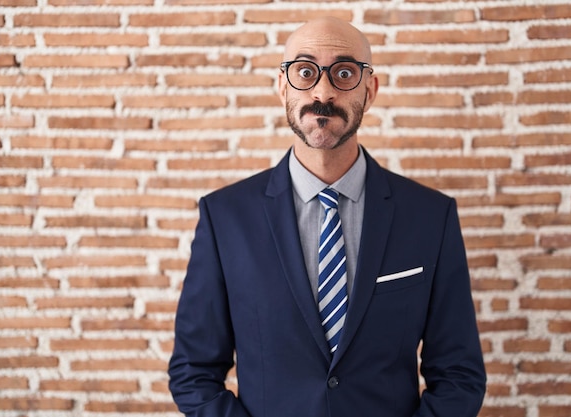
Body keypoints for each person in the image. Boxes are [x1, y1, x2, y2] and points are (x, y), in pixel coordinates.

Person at [168, 16, 486, 417]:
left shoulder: (430, 216)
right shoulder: (224, 217)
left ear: (370, 91)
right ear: (282, 86)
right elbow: (193, 372)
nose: (323, 91)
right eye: (305, 72)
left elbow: (459, 373)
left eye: (344, 73)